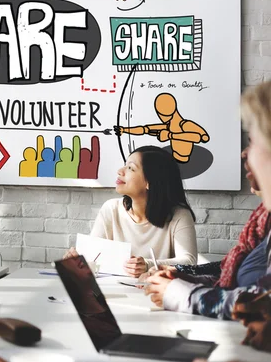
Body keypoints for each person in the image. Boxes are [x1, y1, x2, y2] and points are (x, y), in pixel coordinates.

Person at [146, 80, 271, 354]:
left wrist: (180, 294)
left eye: (252, 141)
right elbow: (234, 272)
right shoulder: (264, 220)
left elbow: (262, 300)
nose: (244, 154)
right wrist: (183, 277)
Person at [140, 145, 270, 290]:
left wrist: (180, 294)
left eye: (256, 142)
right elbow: (224, 270)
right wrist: (180, 273)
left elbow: (256, 300)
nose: (244, 153)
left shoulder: (179, 214)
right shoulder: (261, 221)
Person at [64, 145, 197, 276]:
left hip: (155, 293)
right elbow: (93, 259)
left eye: (130, 168)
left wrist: (147, 265)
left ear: (149, 182)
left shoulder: (179, 215)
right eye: (125, 165)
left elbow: (189, 262)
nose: (120, 171)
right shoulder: (111, 209)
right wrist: (78, 261)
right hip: (114, 292)